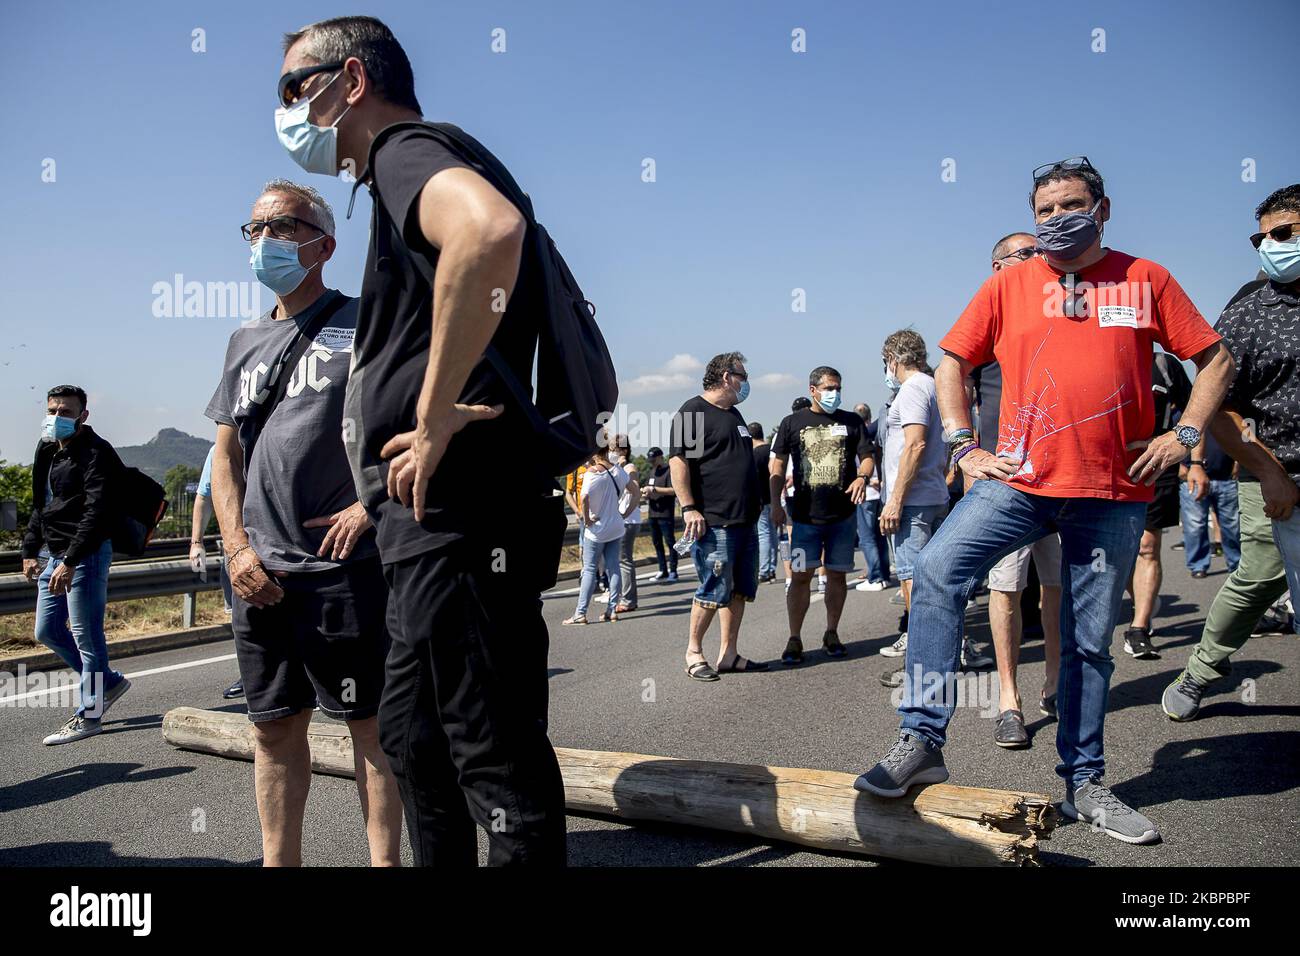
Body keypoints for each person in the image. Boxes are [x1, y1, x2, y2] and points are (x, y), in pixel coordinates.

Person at [856, 157, 1234, 846]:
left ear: (1104, 207)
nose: (1058, 218)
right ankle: (921, 739)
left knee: (1088, 644)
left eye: (1071, 204)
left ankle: (1085, 783)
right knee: (937, 572)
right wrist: (966, 445)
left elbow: (1214, 359)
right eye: (1045, 210)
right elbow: (953, 364)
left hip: (1111, 494)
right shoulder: (1008, 285)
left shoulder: (1145, 279)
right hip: (1018, 484)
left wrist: (1185, 435)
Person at [274, 16, 567, 866]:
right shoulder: (399, 172)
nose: (287, 111)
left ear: (351, 82)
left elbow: (489, 231)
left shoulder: (405, 150)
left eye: (296, 87)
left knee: (492, 757)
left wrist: (433, 413)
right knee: (413, 742)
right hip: (424, 523)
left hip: (465, 518)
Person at [207, 178, 401, 867]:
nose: (264, 241)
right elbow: (225, 457)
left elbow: (411, 428)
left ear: (324, 243)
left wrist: (367, 505)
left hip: (346, 569)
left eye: (281, 227)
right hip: (259, 573)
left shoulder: (370, 319)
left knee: (370, 729)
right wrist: (235, 551)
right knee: (272, 729)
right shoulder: (243, 341)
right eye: (254, 229)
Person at [1163, 183, 1300, 719]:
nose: (1272, 245)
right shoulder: (1250, 309)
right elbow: (1215, 405)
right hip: (1275, 474)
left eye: (1285, 233)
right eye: (1262, 238)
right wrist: (1268, 471)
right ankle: (1200, 671)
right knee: (1260, 578)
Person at [973, 232, 1063, 748]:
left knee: (1055, 585)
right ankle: (1009, 699)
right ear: (997, 266)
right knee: (1005, 587)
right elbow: (952, 379)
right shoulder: (985, 321)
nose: (1037, 259)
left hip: (1063, 476)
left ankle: (1054, 682)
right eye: (1025, 253)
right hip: (1007, 481)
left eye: (1038, 252)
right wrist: (968, 455)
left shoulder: (1059, 311)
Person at [22, 385, 132, 745]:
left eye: (65, 412)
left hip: (85, 554)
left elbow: (98, 513)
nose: (56, 418)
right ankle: (108, 683)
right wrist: (28, 550)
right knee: (47, 631)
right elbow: (41, 504)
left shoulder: (98, 454)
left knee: (87, 636)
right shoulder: (47, 450)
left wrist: (70, 560)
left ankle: (90, 714)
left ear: (83, 416)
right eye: (52, 410)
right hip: (52, 553)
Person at [875, 330, 989, 668]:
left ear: (893, 359)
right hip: (932, 495)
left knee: (915, 581)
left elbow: (915, 444)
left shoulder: (911, 389)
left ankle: (926, 660)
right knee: (939, 580)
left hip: (913, 502)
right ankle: (957, 647)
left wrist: (895, 500)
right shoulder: (933, 385)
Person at [671, 352, 764, 680]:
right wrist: (689, 507)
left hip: (745, 519)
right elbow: (679, 463)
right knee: (713, 588)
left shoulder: (734, 413)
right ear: (727, 376)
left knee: (740, 590)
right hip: (715, 520)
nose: (746, 382)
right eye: (743, 375)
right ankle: (694, 652)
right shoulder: (694, 412)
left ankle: (729, 653)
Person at [770, 367, 870, 664]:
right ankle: (794, 637)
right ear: (813, 390)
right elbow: (777, 468)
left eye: (838, 388)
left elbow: (867, 457)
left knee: (837, 575)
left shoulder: (851, 421)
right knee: (800, 578)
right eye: (828, 388)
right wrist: (775, 504)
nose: (834, 393)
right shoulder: (791, 423)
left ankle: (832, 632)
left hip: (842, 518)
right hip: (803, 519)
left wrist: (862, 477)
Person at [1121, 350, 1193, 659]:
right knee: (1119, 553)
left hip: (1156, 467)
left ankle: (1139, 627)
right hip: (1111, 467)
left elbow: (1195, 412)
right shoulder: (1107, 352)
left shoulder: (1165, 365)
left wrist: (1194, 460)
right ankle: (1142, 597)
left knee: (1148, 547)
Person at [190, 445, 243, 700]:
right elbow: (204, 496)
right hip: (234, 551)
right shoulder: (219, 450)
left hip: (275, 545)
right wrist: (196, 543)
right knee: (240, 619)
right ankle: (251, 674)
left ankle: (309, 681)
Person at [563, 441, 626, 625]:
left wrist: (587, 519)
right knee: (613, 567)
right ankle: (612, 610)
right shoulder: (617, 471)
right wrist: (624, 512)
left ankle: (580, 613)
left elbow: (583, 496)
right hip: (615, 526)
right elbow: (635, 492)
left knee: (590, 568)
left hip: (597, 529)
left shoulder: (592, 472)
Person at [1178, 432, 1240, 578]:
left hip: (1226, 476)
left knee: (1233, 525)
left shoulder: (1229, 412)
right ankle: (1198, 565)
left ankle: (1237, 564)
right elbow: (1174, 436)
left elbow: (1241, 435)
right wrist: (1179, 464)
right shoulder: (1184, 412)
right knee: (1195, 525)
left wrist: (1238, 462)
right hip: (1192, 478)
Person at [852, 402, 892, 591]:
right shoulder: (877, 435)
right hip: (880, 492)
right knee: (880, 536)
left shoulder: (857, 438)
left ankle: (875, 577)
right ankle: (883, 574)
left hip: (865, 493)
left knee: (867, 538)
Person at [611, 434, 641, 613]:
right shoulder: (618, 467)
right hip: (624, 519)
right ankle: (625, 596)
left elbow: (635, 491)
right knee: (621, 559)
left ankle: (628, 600)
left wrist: (624, 514)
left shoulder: (629, 467)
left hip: (628, 520)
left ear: (624, 450)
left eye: (614, 449)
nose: (611, 452)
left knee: (624, 560)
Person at [642, 447, 678, 581]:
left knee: (670, 542)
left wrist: (654, 489)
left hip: (665, 513)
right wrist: (646, 494)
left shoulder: (669, 471)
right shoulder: (651, 472)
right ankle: (662, 570)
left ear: (660, 457)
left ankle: (673, 571)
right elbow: (649, 489)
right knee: (657, 543)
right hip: (653, 513)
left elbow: (673, 490)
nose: (651, 462)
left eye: (653, 459)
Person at [751, 422, 779, 583]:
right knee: (773, 534)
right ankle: (772, 568)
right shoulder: (771, 450)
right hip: (774, 497)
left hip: (761, 498)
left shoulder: (755, 454)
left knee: (763, 534)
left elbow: (753, 480)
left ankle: (764, 570)